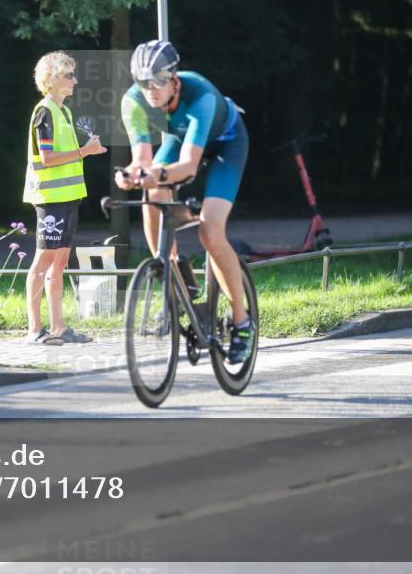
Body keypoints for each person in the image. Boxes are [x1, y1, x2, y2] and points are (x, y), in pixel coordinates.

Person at [116, 40, 253, 364]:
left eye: (157, 82)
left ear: (174, 78)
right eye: (142, 83)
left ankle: (241, 321)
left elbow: (189, 166)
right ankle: (170, 268)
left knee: (210, 231)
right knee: (153, 196)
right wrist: (132, 175)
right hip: (180, 142)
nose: (150, 90)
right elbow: (142, 159)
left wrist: (154, 174)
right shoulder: (132, 101)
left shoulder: (200, 95)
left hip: (226, 145)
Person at [23, 51, 107, 345]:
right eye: (69, 75)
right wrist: (86, 151)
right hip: (50, 198)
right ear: (53, 78)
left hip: (69, 197)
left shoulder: (65, 112)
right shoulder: (44, 111)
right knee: (43, 260)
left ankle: (58, 327)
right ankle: (35, 330)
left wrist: (86, 150)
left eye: (73, 74)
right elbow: (47, 158)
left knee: (59, 262)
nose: (75, 80)